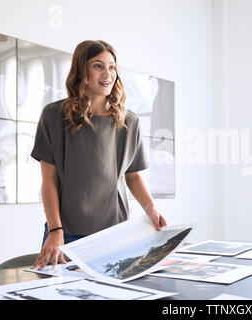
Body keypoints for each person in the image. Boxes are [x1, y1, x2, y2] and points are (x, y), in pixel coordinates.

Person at [30, 40, 167, 271]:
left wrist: (151, 209)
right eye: (98, 66)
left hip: (115, 236)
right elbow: (49, 181)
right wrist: (55, 230)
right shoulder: (53, 116)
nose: (108, 74)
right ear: (81, 69)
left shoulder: (129, 122)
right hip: (66, 235)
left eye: (112, 67)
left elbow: (132, 176)